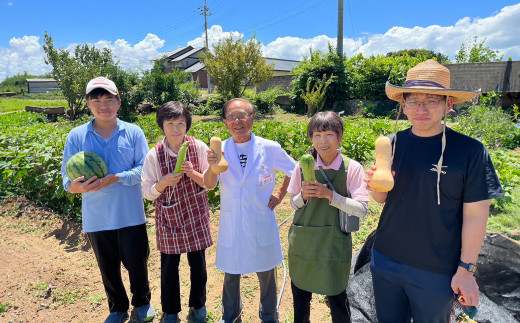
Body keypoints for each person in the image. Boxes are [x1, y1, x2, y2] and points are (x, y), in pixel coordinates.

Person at [365, 60, 504, 322]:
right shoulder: (392, 144)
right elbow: (383, 198)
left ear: (448, 104)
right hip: (385, 259)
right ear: (403, 104)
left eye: (431, 100)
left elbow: (476, 216)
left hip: (437, 271)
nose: (421, 108)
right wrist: (374, 185)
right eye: (413, 100)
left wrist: (465, 271)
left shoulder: (471, 151)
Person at [60, 77, 155, 323]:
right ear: (89, 104)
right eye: (97, 99)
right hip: (97, 217)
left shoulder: (133, 132)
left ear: (118, 101)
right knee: (108, 267)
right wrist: (77, 187)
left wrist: (116, 178)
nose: (103, 105)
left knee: (137, 263)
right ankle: (117, 307)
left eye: (108, 99)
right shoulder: (76, 135)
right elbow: (66, 180)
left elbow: (144, 169)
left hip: (130, 214)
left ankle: (142, 302)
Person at [204, 98, 296, 323]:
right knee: (231, 273)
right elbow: (209, 184)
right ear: (225, 122)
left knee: (267, 274)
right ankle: (230, 315)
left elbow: (295, 170)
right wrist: (211, 166)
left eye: (243, 115)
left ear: (252, 118)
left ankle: (268, 315)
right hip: (232, 222)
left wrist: (281, 193)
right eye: (232, 117)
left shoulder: (270, 148)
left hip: (261, 220)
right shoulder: (219, 149)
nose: (238, 121)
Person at [286, 111, 369, 323]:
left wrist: (330, 196)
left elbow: (361, 209)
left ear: (339, 137)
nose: (323, 142)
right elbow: (293, 204)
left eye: (329, 135)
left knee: (338, 300)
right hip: (304, 243)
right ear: (311, 138)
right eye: (317, 135)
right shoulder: (301, 166)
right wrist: (303, 196)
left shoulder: (352, 168)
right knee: (301, 300)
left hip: (333, 244)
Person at [141, 101, 212, 323]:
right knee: (169, 268)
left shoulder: (198, 147)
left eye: (180, 123)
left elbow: (209, 184)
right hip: (169, 218)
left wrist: (193, 174)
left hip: (195, 216)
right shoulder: (154, 155)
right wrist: (162, 183)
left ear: (187, 125)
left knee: (198, 266)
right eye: (169, 123)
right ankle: (170, 312)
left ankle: (198, 307)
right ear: (161, 125)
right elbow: (147, 192)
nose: (175, 129)